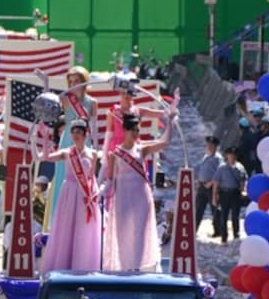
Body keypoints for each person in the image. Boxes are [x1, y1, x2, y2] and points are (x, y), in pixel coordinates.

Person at [103, 114, 173, 271]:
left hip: (141, 195)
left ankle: (138, 265)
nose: (136, 134)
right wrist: (99, 194)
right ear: (125, 130)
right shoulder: (115, 153)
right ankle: (124, 265)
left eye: (138, 130)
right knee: (123, 231)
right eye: (133, 130)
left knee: (140, 230)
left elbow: (164, 142)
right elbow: (109, 180)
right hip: (122, 197)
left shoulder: (141, 150)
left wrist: (170, 122)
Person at [33, 119, 101, 273]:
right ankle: (64, 265)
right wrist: (45, 138)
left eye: (79, 132)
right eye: (74, 132)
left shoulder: (93, 154)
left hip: (85, 195)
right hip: (69, 192)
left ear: (85, 135)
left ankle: (83, 266)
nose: (76, 135)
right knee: (67, 229)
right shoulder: (67, 152)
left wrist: (94, 194)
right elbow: (48, 157)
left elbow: (92, 176)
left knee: (83, 230)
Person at [45, 67, 98, 233]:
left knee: (84, 179)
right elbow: (47, 102)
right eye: (71, 81)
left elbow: (95, 128)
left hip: (85, 141)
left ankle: (84, 219)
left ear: (84, 82)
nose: (73, 84)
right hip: (68, 140)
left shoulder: (92, 103)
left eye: (77, 81)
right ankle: (59, 222)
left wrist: (95, 147)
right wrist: (45, 83)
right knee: (64, 178)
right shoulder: (65, 99)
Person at [212, 147, 248, 244]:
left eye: (233, 155)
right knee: (224, 215)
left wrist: (243, 189)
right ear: (227, 156)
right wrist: (214, 197)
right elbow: (216, 182)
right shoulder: (222, 168)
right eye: (230, 155)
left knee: (235, 215)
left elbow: (244, 179)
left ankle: (236, 234)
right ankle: (224, 237)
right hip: (224, 193)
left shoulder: (240, 167)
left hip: (235, 194)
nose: (232, 157)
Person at [194, 136, 223, 235]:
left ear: (215, 147)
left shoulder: (217, 158)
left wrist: (210, 183)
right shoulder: (206, 157)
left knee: (215, 209)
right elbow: (202, 170)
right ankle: (193, 230)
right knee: (198, 209)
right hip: (202, 186)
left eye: (211, 145)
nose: (209, 147)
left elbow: (219, 173)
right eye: (208, 145)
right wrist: (199, 181)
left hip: (212, 187)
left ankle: (218, 230)